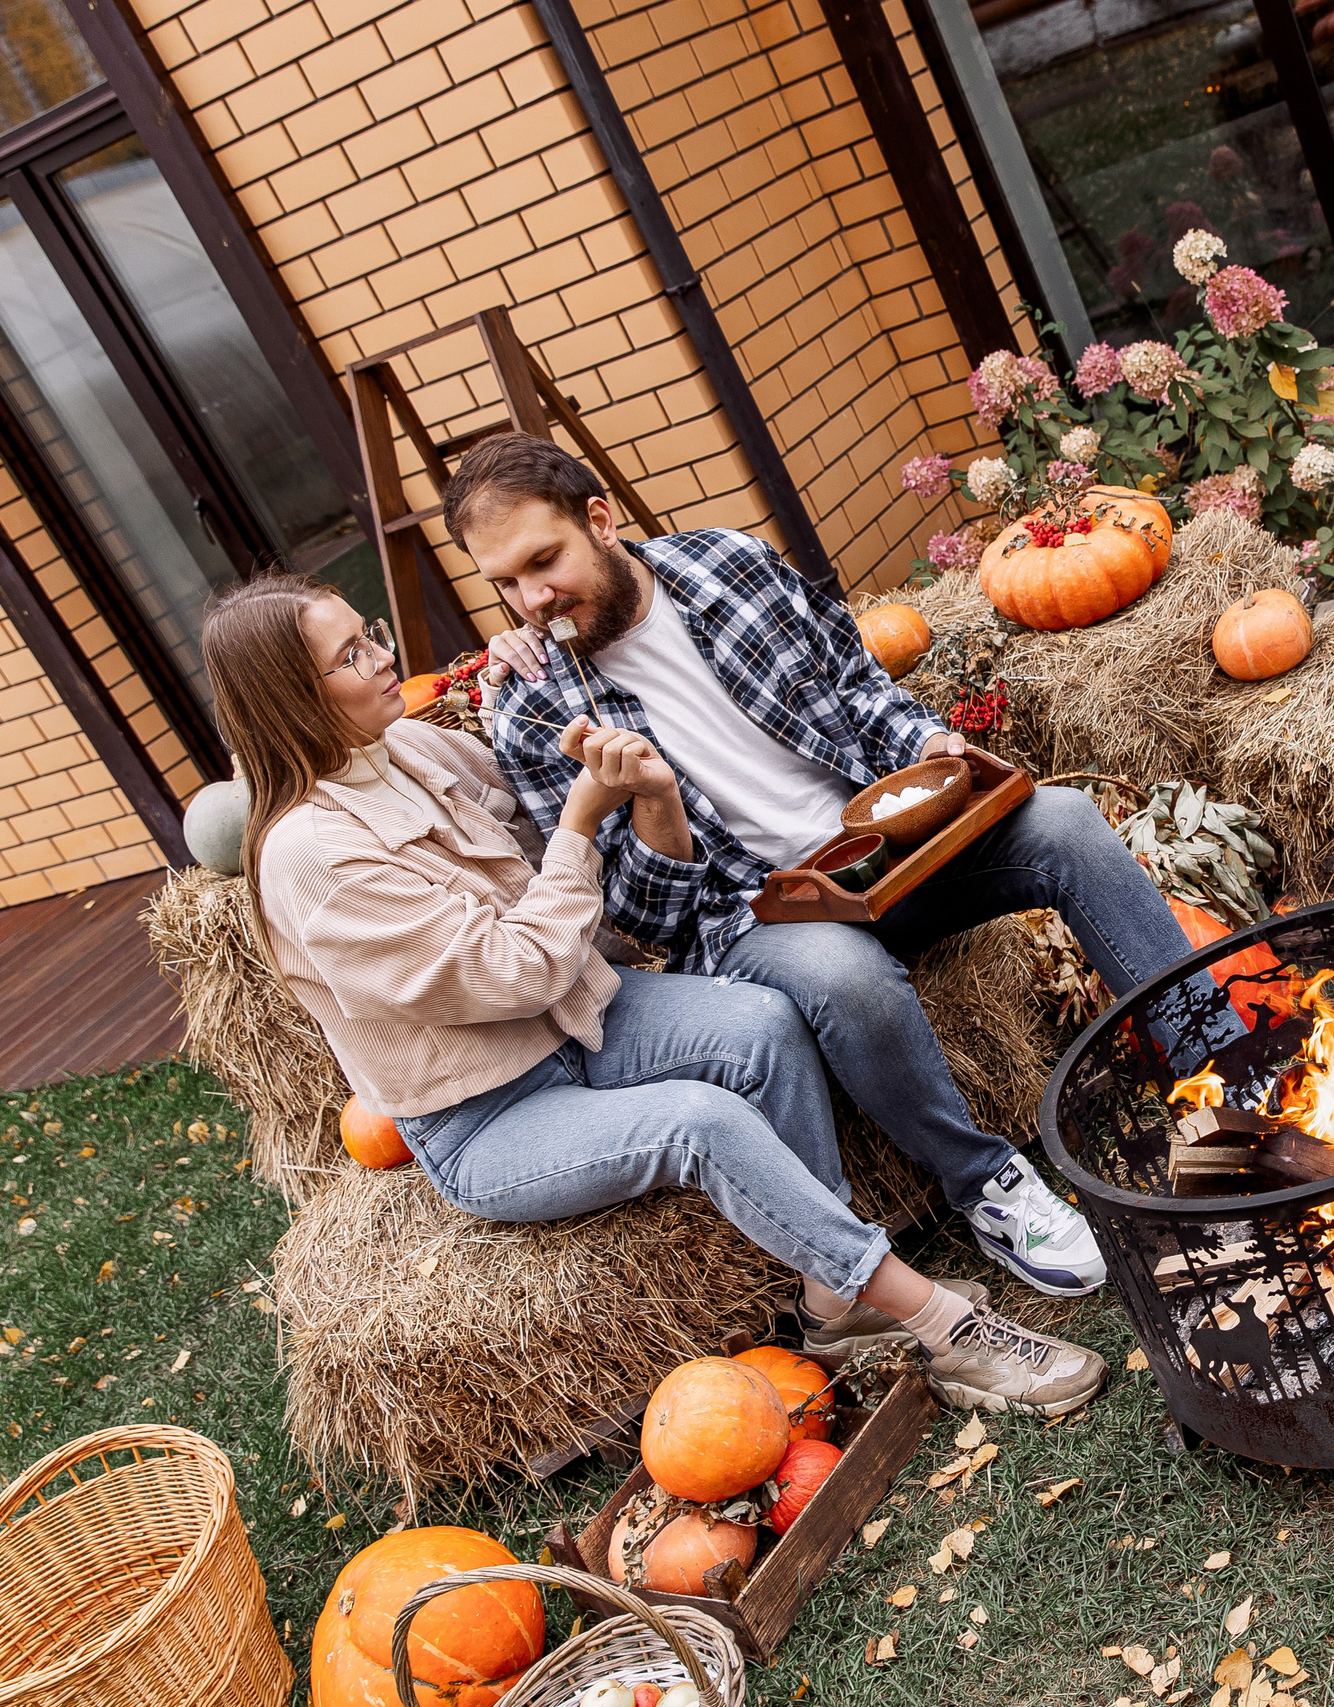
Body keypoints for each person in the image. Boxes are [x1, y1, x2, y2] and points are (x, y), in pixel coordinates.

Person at [203, 573, 1104, 1415]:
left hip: (579, 1016)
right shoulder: (309, 858)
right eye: (352, 656)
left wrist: (523, 670)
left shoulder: (401, 744)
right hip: (491, 1109)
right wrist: (582, 822)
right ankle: (944, 1327)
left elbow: (519, 794)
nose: (383, 657)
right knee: (699, 1122)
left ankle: (834, 1301)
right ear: (293, 699)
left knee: (765, 1021)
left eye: (370, 634)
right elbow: (514, 970)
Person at [447, 433, 1217, 1299]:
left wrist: (928, 745)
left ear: (600, 518)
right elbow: (644, 921)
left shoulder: (729, 563)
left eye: (543, 561)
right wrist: (655, 803)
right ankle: (987, 1186)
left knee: (1067, 823)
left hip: (884, 845)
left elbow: (854, 684)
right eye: (504, 584)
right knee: (844, 976)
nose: (532, 599)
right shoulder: (529, 708)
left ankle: (1220, 1070)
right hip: (753, 913)